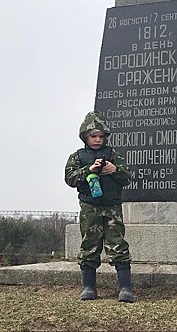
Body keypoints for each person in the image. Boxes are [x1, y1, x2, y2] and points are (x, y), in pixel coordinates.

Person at [64, 110, 134, 303]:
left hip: (112, 208)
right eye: (93, 136)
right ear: (85, 137)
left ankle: (126, 289)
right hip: (90, 207)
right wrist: (89, 170)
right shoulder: (77, 157)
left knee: (118, 245)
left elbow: (127, 178)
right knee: (89, 245)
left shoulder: (113, 155)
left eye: (101, 136)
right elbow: (70, 178)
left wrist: (115, 170)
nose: (97, 140)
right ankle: (88, 287)